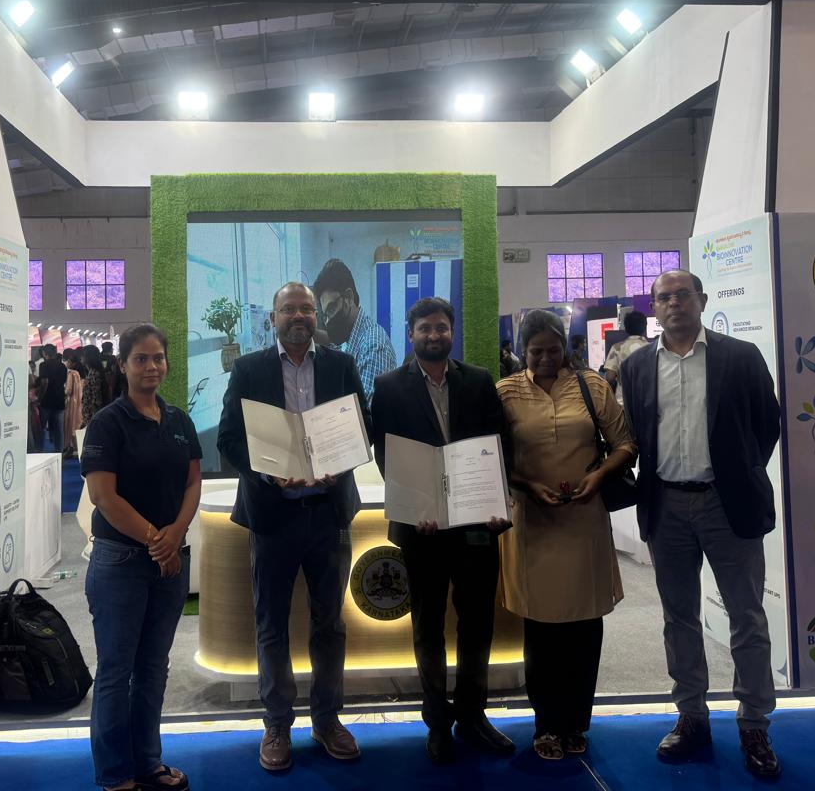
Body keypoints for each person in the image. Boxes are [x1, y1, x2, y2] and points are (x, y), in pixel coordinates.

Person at [619, 270, 782, 781]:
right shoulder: (638, 365)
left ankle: (754, 724)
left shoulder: (740, 357)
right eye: (663, 297)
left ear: (702, 300)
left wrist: (737, 474)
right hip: (666, 505)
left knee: (746, 616)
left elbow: (766, 425)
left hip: (726, 504)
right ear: (654, 307)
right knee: (679, 618)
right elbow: (636, 432)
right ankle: (691, 716)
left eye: (682, 295)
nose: (673, 303)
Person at [217, 282, 369, 772]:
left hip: (328, 514)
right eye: (289, 309)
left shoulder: (341, 365)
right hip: (272, 516)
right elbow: (228, 439)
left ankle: (326, 719)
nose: (299, 316)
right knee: (271, 624)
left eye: (306, 308)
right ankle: (277, 723)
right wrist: (267, 472)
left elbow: (361, 425)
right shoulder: (249, 369)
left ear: (315, 316)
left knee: (331, 624)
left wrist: (341, 463)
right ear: (274, 318)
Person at [370, 297, 514, 764]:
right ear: (411, 333)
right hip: (423, 529)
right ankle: (437, 724)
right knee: (428, 628)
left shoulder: (479, 380)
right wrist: (416, 506)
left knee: (478, 625)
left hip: (476, 525)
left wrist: (498, 500)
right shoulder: (388, 386)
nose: (433, 335)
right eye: (425, 329)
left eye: (441, 328)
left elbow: (499, 444)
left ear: (452, 332)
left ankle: (472, 715)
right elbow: (386, 456)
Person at [497, 310, 636, 760]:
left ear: (565, 346)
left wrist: (598, 477)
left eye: (553, 349)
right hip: (532, 522)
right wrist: (526, 485)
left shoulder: (591, 386)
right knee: (540, 631)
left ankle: (576, 723)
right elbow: (490, 456)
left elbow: (625, 444)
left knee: (584, 626)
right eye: (535, 351)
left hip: (583, 520)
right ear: (522, 350)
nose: (545, 358)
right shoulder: (505, 392)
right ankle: (546, 725)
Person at [82, 324, 201, 791]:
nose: (151, 367)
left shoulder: (179, 421)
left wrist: (176, 534)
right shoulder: (108, 423)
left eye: (158, 358)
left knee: (153, 668)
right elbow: (103, 497)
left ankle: (147, 761)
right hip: (121, 563)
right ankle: (115, 774)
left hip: (169, 563)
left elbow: (193, 482)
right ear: (123, 364)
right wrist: (159, 542)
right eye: (140, 359)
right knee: (117, 670)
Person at [313, 258, 396, 402]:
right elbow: (334, 345)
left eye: (331, 308)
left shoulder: (373, 346)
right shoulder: (352, 336)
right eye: (325, 316)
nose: (328, 321)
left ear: (349, 297)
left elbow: (365, 411)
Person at [603, 311, 649, 406]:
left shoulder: (617, 348)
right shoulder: (652, 349)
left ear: (626, 328)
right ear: (645, 327)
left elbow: (610, 378)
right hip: (647, 403)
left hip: (623, 403)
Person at [38, 344, 68, 454]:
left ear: (44, 353)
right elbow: (64, 382)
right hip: (59, 399)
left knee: (41, 427)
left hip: (46, 400)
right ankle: (59, 453)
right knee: (59, 429)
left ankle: (39, 451)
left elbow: (44, 382)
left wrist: (40, 397)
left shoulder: (43, 365)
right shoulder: (63, 366)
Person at [63, 348, 84, 459]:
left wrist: (63, 388)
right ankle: (77, 448)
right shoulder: (78, 373)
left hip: (71, 403)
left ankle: (70, 447)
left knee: (70, 426)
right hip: (78, 402)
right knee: (76, 425)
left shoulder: (70, 374)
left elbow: (68, 390)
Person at [82, 345, 108, 427]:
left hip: (93, 415)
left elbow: (96, 398)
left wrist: (93, 418)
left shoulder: (94, 373)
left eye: (83, 355)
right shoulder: (92, 372)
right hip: (90, 414)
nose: (81, 358)